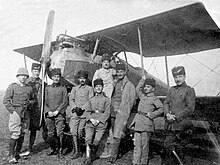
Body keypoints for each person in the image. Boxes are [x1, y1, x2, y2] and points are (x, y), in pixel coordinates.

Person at [162, 66, 196, 165]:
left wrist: (175, 117)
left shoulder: (189, 90)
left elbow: (190, 108)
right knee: (167, 147)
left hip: (182, 125)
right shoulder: (171, 90)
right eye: (176, 77)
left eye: (180, 76)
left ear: (185, 77)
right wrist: (167, 113)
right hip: (170, 125)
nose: (178, 79)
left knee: (179, 149)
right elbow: (166, 103)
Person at [3, 67, 34, 163]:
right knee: (15, 133)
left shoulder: (29, 88)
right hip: (16, 112)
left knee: (23, 133)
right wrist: (13, 111)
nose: (23, 78)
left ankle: (17, 152)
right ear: (18, 76)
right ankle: (11, 155)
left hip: (26, 113)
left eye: (25, 76)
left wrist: (30, 103)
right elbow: (6, 101)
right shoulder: (12, 86)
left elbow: (33, 99)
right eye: (21, 76)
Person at [130, 76, 163, 165]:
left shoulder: (154, 99)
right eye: (145, 86)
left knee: (144, 146)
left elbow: (161, 109)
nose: (146, 88)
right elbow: (138, 89)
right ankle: (135, 162)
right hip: (138, 123)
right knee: (137, 145)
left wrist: (152, 114)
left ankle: (143, 162)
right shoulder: (142, 96)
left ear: (153, 89)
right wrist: (142, 79)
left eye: (148, 87)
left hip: (147, 124)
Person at [108, 63, 136, 164]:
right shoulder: (115, 82)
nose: (119, 73)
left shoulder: (129, 85)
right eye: (118, 71)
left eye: (121, 72)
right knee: (113, 131)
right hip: (112, 111)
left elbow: (131, 101)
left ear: (125, 72)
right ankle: (113, 152)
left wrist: (123, 110)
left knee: (117, 133)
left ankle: (113, 156)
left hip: (121, 112)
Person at [20, 63, 47, 156]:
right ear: (32, 71)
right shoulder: (27, 82)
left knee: (33, 129)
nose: (36, 73)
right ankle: (18, 148)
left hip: (37, 110)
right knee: (22, 129)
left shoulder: (43, 84)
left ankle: (30, 148)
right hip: (27, 109)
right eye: (35, 71)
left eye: (38, 71)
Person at [83, 78, 111, 165]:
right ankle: (88, 158)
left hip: (101, 123)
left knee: (97, 140)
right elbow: (86, 111)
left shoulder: (107, 100)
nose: (98, 88)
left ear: (102, 87)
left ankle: (93, 155)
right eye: (96, 87)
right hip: (91, 122)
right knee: (88, 139)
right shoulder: (91, 99)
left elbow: (107, 112)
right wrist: (91, 119)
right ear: (94, 88)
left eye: (100, 86)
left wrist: (98, 120)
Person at [68, 70, 94, 159]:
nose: (82, 80)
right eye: (80, 78)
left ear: (86, 79)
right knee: (73, 131)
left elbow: (90, 100)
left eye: (84, 78)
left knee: (80, 131)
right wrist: (74, 107)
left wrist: (83, 108)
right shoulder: (74, 89)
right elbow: (71, 99)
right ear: (78, 79)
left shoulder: (90, 89)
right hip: (75, 114)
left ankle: (82, 149)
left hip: (84, 114)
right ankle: (76, 150)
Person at [44, 68, 68, 159]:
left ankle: (60, 151)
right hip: (49, 114)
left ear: (60, 78)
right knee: (50, 133)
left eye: (58, 77)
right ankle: (53, 148)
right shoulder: (48, 88)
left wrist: (57, 111)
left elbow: (65, 101)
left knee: (59, 132)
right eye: (54, 77)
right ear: (51, 78)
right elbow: (45, 102)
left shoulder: (63, 88)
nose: (56, 78)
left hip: (59, 114)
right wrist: (48, 111)